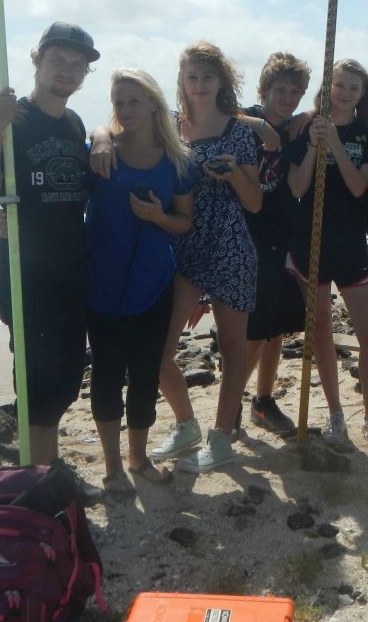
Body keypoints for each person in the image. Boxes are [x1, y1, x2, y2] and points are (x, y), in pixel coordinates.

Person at [0, 21, 98, 467]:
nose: (67, 70)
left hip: (71, 268)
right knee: (38, 382)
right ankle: (38, 477)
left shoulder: (74, 122)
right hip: (26, 271)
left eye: (77, 65)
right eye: (58, 60)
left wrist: (101, 139)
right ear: (37, 60)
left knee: (65, 378)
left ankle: (47, 466)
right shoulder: (9, 118)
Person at [150, 42, 263, 473]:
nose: (199, 85)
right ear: (180, 81)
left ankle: (221, 437)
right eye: (192, 76)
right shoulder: (169, 129)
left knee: (233, 347)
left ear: (222, 81)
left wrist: (233, 172)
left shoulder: (238, 131)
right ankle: (186, 426)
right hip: (181, 245)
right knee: (159, 351)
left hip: (230, 242)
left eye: (208, 76)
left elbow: (254, 204)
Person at [85, 69, 194, 496]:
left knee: (146, 375)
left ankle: (139, 459)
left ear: (153, 104)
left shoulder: (178, 162)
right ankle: (113, 469)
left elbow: (184, 223)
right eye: (118, 103)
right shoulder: (99, 153)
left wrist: (157, 218)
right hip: (101, 282)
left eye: (134, 101)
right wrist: (100, 135)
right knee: (107, 374)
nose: (125, 110)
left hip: (152, 284)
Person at [285, 59, 368, 447]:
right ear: (328, 87)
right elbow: (297, 188)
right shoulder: (304, 129)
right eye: (340, 85)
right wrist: (316, 143)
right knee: (320, 333)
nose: (346, 92)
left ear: (363, 94)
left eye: (354, 87)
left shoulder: (367, 137)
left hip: (350, 244)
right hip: (309, 243)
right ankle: (335, 414)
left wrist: (334, 141)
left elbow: (357, 187)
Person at [240, 53, 311, 434]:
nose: (287, 97)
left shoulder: (297, 132)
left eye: (295, 92)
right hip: (245, 236)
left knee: (277, 329)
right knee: (252, 332)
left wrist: (312, 121)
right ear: (264, 90)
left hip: (282, 237)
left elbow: (298, 184)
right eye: (280, 90)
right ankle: (230, 404)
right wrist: (255, 122)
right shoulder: (244, 119)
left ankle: (263, 401)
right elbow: (203, 115)